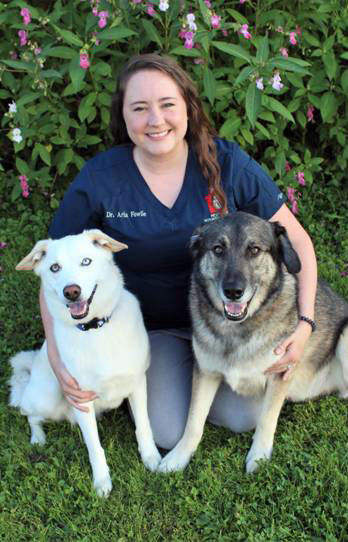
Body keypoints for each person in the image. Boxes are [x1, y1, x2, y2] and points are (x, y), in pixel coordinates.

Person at [41, 53, 317, 450]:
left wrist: (305, 324)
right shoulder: (102, 179)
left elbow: (298, 241)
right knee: (168, 431)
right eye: (139, 108)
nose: (156, 120)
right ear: (124, 117)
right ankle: (154, 368)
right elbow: (55, 266)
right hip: (154, 327)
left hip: (231, 324)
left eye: (168, 104)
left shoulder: (227, 163)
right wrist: (55, 352)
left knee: (244, 417)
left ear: (188, 106)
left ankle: (207, 370)